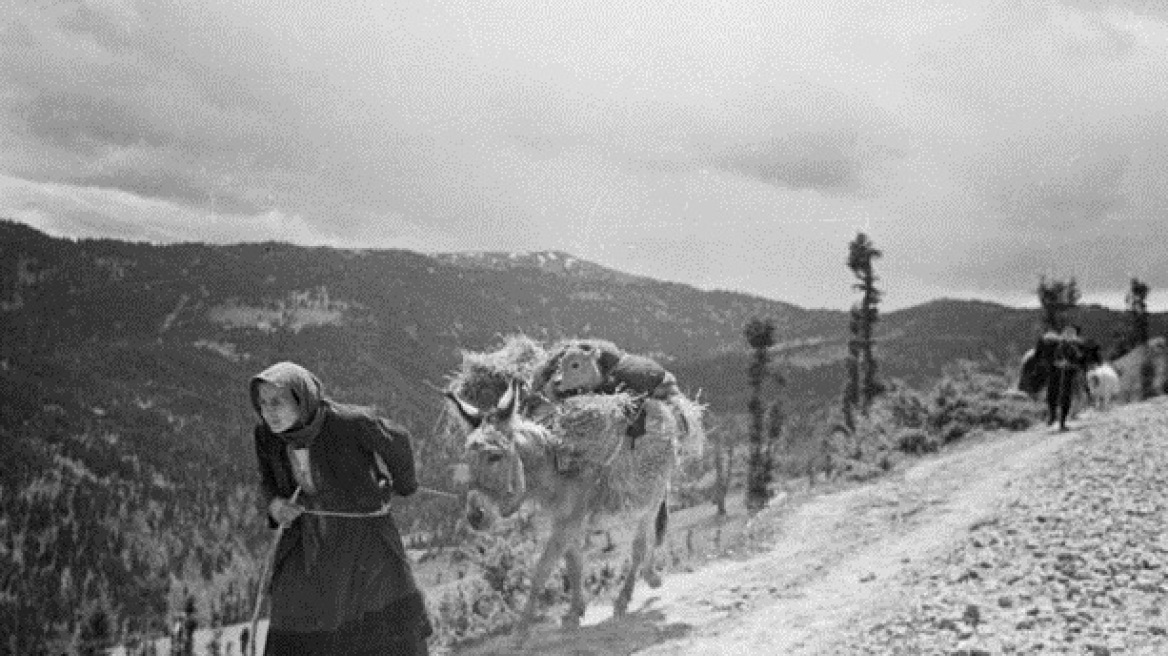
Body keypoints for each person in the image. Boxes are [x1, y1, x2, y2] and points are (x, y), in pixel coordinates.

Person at [250, 361, 432, 655]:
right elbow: (267, 480)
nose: (268, 411)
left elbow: (397, 440)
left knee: (378, 621)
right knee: (295, 618)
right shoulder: (267, 437)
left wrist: (402, 484)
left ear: (302, 398)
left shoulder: (349, 423)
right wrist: (274, 506)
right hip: (307, 542)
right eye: (262, 403)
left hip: (364, 542)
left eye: (277, 402)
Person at [1043, 325, 1088, 431]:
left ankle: (1054, 418)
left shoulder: (1060, 347)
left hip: (1057, 376)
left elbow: (1053, 361)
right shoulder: (1071, 348)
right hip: (1065, 376)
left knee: (1055, 396)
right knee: (1064, 398)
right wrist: (1069, 365)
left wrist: (1063, 364)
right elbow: (1078, 361)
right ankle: (1060, 422)